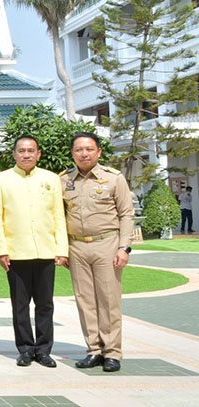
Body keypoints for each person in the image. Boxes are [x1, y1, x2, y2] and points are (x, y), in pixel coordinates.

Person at [0, 136, 68, 368]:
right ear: (13, 154)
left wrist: (61, 248)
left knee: (45, 304)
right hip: (16, 253)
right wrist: (1, 250)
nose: (26, 155)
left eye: (31, 151)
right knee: (20, 305)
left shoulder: (51, 179)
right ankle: (25, 348)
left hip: (46, 251)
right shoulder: (0, 180)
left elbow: (58, 216)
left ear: (39, 154)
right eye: (21, 151)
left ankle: (44, 350)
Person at [61, 132, 135, 373]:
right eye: (79, 150)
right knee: (85, 301)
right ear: (72, 153)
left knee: (108, 300)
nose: (84, 154)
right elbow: (59, 216)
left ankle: (112, 352)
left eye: (89, 149)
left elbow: (126, 214)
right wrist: (62, 249)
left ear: (99, 152)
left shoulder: (113, 179)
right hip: (77, 246)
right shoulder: (64, 180)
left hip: (107, 244)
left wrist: (124, 247)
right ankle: (93, 349)